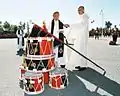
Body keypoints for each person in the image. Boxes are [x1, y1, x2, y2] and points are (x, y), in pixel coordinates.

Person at [66, 6, 89, 71]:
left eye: (80, 10)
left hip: (83, 37)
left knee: (82, 50)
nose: (79, 11)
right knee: (78, 50)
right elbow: (78, 25)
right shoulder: (80, 17)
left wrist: (71, 25)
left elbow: (81, 25)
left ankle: (83, 65)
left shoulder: (85, 17)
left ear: (83, 10)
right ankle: (79, 64)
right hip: (79, 37)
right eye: (78, 10)